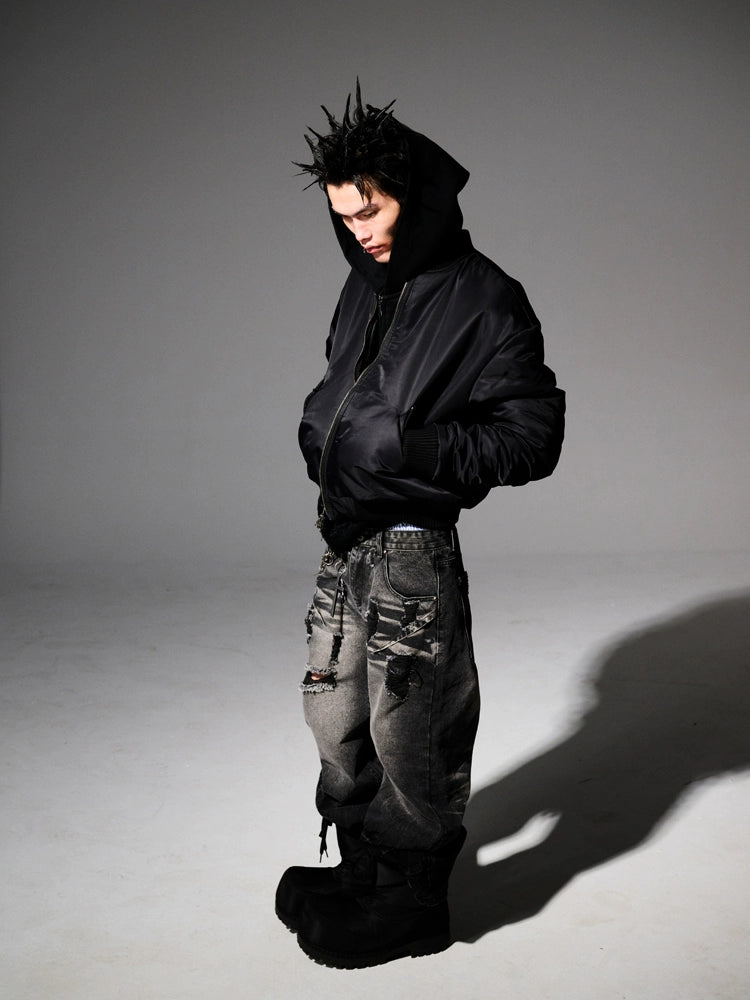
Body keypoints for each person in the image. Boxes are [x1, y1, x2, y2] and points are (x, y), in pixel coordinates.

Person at [275, 84, 565, 969]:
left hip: (411, 550)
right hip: (344, 537)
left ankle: (409, 903)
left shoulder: (486, 297)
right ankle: (362, 869)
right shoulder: (362, 287)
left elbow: (533, 437)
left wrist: (414, 446)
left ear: (417, 195)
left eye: (370, 210)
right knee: (336, 714)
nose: (358, 230)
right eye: (342, 215)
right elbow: (346, 392)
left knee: (411, 728)